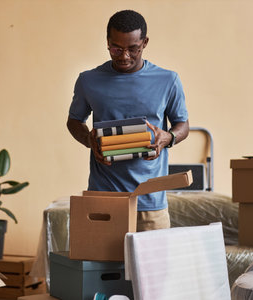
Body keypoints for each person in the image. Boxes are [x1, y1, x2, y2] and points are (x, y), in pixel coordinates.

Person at [67, 9, 189, 231]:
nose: (124, 56)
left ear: (145, 42)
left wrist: (168, 137)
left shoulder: (168, 80)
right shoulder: (88, 81)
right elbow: (74, 120)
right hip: (103, 198)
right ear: (107, 43)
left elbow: (183, 125)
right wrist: (88, 139)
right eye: (116, 48)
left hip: (150, 201)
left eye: (133, 49)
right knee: (104, 267)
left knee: (153, 267)